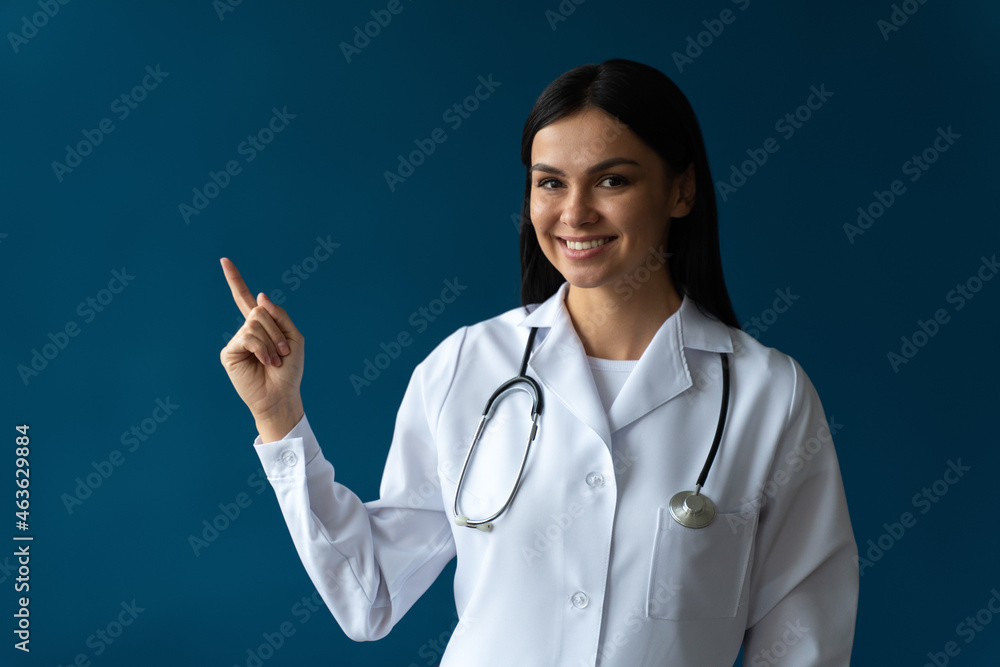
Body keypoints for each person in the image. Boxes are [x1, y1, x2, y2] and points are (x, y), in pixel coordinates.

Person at [219, 58, 858, 666]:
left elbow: (805, 640)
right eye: (550, 182)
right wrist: (279, 418)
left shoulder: (766, 394)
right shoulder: (466, 366)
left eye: (613, 179)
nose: (575, 213)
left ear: (682, 190)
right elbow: (371, 597)